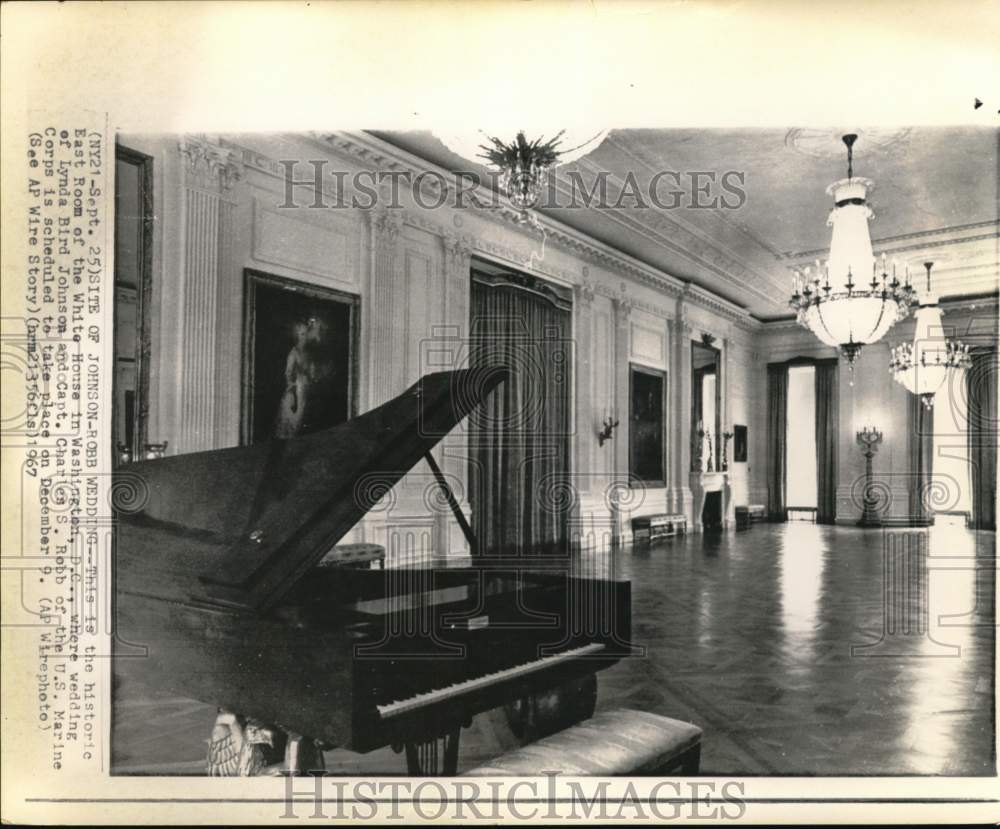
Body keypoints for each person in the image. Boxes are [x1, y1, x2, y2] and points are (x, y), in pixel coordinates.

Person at [274, 316, 327, 438]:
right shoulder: (294, 352)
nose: (303, 337)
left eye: (305, 334)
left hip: (308, 388)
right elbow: (288, 373)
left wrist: (315, 376)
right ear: (297, 336)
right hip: (298, 388)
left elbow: (312, 373)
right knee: (297, 418)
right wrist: (291, 389)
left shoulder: (308, 353)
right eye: (301, 334)